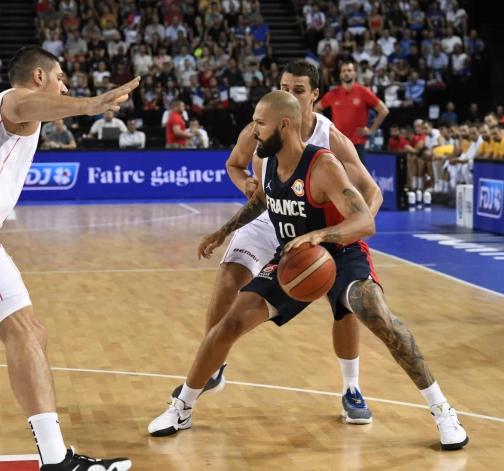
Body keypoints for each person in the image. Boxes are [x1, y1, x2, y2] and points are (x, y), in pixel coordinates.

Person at [148, 91, 468, 451]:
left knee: (378, 316)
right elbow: (262, 201)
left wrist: (321, 234)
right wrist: (222, 233)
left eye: (260, 123)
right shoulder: (268, 162)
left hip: (342, 251)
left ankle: (443, 410)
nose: (254, 130)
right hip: (295, 257)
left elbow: (364, 221)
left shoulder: (323, 165)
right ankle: (182, 408)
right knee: (230, 323)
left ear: (284, 125)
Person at [0, 45, 138, 471]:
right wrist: (90, 104)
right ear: (39, 76)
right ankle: (56, 460)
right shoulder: (14, 100)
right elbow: (26, 102)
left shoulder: (5, 115)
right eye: (60, 78)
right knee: (26, 330)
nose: (64, 86)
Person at [167, 60, 383, 424]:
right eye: (285, 87)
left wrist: (355, 229)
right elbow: (234, 164)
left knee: (344, 303)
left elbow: (370, 191)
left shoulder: (330, 138)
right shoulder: (262, 126)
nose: (290, 95)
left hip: (311, 223)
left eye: (299, 90)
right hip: (267, 215)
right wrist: (245, 185)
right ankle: (214, 368)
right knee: (227, 282)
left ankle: (351, 387)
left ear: (314, 95)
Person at [314, 61, 389, 164]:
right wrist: (325, 127)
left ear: (355, 74)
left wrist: (370, 130)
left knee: (358, 179)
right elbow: (316, 108)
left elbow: (383, 110)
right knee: (337, 178)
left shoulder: (364, 92)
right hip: (338, 143)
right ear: (340, 75)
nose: (346, 73)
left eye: (349, 70)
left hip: (357, 144)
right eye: (344, 71)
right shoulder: (333, 94)